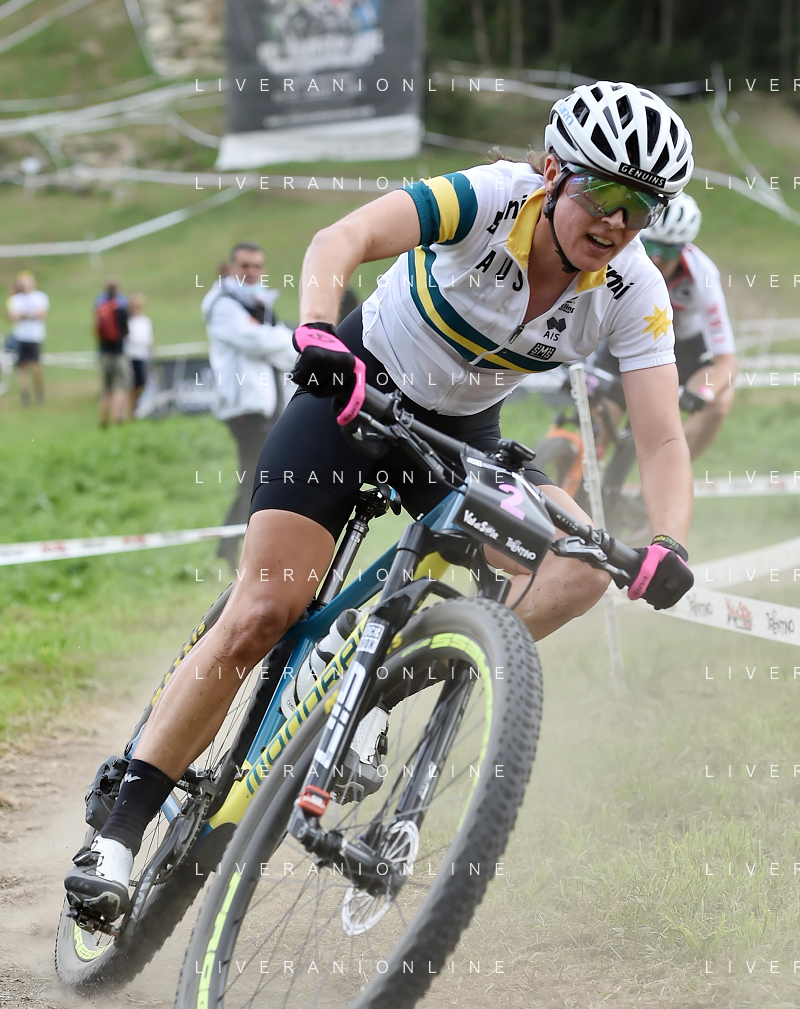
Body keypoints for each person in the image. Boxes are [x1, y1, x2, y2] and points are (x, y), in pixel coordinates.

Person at [66, 81, 697, 917]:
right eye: (604, 192)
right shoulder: (488, 197)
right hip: (356, 391)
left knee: (582, 565)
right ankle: (119, 829)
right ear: (553, 171)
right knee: (263, 611)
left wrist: (669, 540)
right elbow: (345, 237)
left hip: (460, 438)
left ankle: (375, 679)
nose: (617, 222)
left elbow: (661, 439)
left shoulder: (632, 290)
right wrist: (318, 330)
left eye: (642, 207)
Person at [594, 194, 737, 459]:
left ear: (683, 249)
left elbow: (726, 361)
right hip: (629, 339)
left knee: (719, 403)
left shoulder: (702, 273)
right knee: (598, 431)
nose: (657, 259)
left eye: (668, 251)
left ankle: (673, 465)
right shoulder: (623, 256)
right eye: (650, 247)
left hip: (685, 350)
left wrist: (703, 394)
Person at [200, 242, 297, 571]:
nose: (251, 272)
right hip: (245, 408)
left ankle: (230, 548)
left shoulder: (260, 305)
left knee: (257, 478)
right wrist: (280, 340)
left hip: (269, 407)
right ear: (230, 268)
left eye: (257, 266)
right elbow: (257, 341)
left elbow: (286, 349)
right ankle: (239, 552)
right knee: (257, 480)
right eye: (244, 266)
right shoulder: (222, 305)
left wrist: (277, 340)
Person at [7, 271, 48, 406]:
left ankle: (39, 391)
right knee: (21, 367)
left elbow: (41, 314)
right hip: (21, 336)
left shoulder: (40, 296)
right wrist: (30, 315)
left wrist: (23, 315)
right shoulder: (15, 299)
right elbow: (12, 316)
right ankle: (25, 394)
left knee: (36, 366)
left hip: (35, 336)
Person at [95, 281, 130, 427]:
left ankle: (103, 418)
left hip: (104, 354)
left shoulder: (100, 309)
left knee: (106, 389)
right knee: (121, 386)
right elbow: (126, 331)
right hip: (118, 353)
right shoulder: (121, 309)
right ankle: (117, 415)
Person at [125, 293, 154, 416]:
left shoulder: (146, 321)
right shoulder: (128, 321)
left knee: (141, 384)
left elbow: (149, 340)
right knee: (132, 385)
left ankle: (134, 409)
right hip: (131, 356)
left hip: (143, 356)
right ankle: (129, 411)